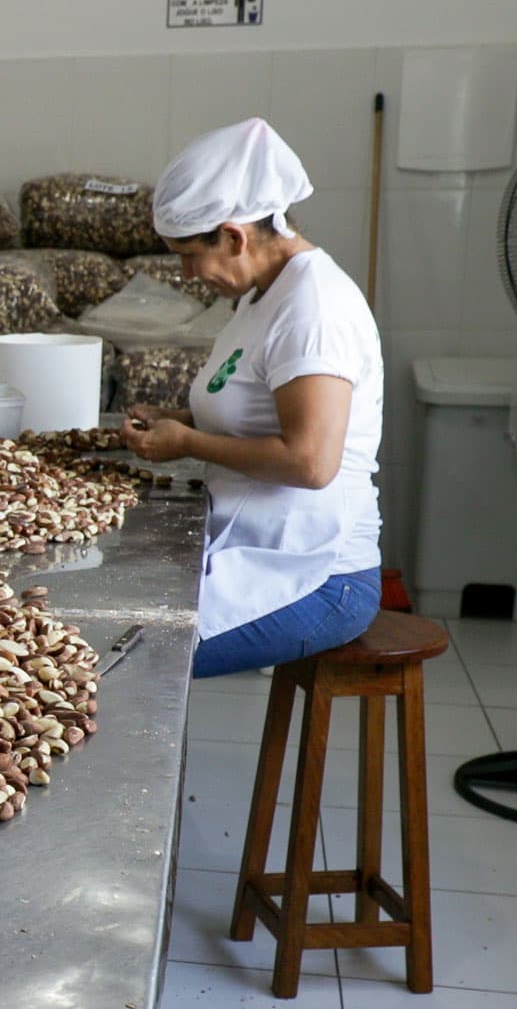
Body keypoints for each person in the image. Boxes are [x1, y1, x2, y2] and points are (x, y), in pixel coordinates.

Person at [119, 118, 384, 678]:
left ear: (235, 237)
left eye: (191, 256)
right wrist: (180, 418)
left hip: (316, 574)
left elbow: (310, 462)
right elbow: (258, 411)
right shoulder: (262, 295)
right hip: (254, 551)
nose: (189, 274)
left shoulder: (314, 308)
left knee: (126, 665)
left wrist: (189, 441)